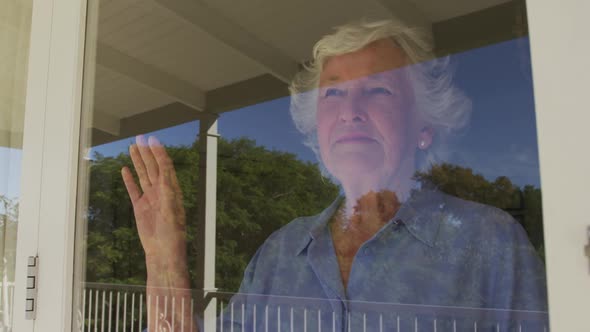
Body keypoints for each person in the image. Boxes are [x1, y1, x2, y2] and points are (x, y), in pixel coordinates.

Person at [122, 19, 548, 331]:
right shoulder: (280, 253)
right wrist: (165, 261)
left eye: (378, 89)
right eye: (334, 93)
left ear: (423, 126)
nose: (349, 111)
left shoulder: (488, 241)